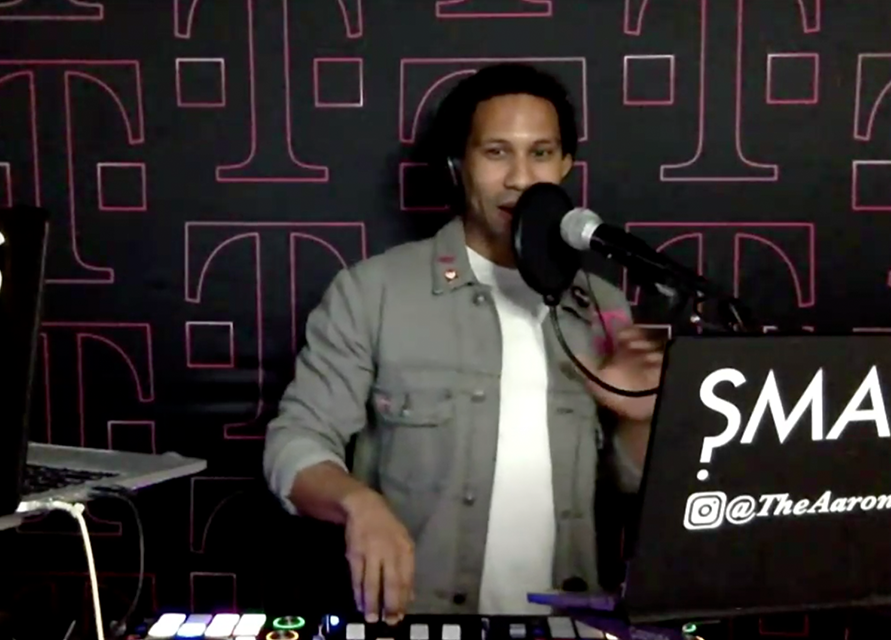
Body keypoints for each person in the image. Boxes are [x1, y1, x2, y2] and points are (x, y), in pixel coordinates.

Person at [262, 63, 663, 623]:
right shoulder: (372, 292)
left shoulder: (602, 304)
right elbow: (294, 441)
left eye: (541, 153)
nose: (520, 178)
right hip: (417, 622)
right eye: (496, 152)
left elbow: (631, 486)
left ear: (564, 166)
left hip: (566, 623)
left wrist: (640, 419)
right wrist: (358, 505)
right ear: (458, 165)